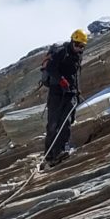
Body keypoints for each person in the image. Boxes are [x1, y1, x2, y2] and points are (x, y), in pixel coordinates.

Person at [44, 29, 88, 163]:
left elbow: (74, 75)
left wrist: (77, 91)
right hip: (56, 93)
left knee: (66, 122)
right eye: (77, 45)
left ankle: (61, 150)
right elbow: (50, 68)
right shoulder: (62, 52)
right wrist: (61, 80)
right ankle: (49, 155)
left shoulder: (78, 56)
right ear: (72, 41)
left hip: (70, 93)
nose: (79, 48)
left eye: (82, 46)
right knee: (53, 123)